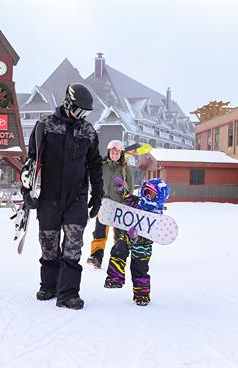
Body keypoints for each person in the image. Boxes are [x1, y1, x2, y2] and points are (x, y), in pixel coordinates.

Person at [22, 83, 103, 310]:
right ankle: (49, 284)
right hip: (48, 196)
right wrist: (27, 193)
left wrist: (97, 194)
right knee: (48, 244)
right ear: (67, 104)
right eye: (79, 111)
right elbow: (31, 162)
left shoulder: (88, 131)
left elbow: (95, 165)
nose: (82, 116)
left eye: (86, 113)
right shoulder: (44, 126)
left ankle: (68, 292)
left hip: (75, 197)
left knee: (73, 245)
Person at [105, 177, 169, 306]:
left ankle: (142, 295)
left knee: (139, 268)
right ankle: (115, 278)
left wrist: (138, 238)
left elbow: (153, 234)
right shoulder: (139, 202)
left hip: (143, 244)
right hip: (128, 235)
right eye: (146, 192)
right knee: (118, 249)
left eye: (151, 193)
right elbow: (129, 199)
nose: (147, 195)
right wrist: (122, 189)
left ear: (159, 196)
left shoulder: (157, 216)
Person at [86, 140, 133, 269]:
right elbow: (94, 176)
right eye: (112, 153)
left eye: (117, 153)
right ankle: (96, 256)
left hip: (119, 206)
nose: (115, 155)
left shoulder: (125, 169)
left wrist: (127, 199)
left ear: (121, 154)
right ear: (109, 153)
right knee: (99, 232)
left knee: (119, 234)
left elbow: (131, 186)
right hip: (104, 204)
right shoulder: (103, 165)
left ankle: (118, 257)